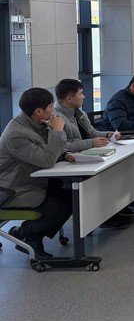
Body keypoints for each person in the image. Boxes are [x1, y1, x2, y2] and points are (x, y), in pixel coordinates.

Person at [0, 88, 75, 258]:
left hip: (32, 182)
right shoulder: (16, 134)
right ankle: (28, 236)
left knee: (73, 195)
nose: (53, 111)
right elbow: (46, 160)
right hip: (12, 190)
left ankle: (26, 234)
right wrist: (57, 131)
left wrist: (64, 154)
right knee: (56, 207)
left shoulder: (37, 124)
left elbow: (48, 150)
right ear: (38, 111)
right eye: (51, 107)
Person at [54, 78, 114, 152]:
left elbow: (91, 132)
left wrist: (107, 135)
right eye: (80, 94)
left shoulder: (81, 113)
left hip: (86, 153)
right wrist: (91, 143)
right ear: (69, 98)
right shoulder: (56, 120)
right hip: (73, 157)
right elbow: (62, 146)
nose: (83, 97)